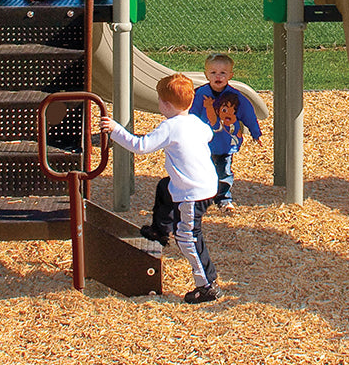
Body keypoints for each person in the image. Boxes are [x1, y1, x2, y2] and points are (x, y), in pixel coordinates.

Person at [99, 73, 221, 304]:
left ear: (165, 104)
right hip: (206, 183)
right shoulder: (196, 122)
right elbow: (208, 134)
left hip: (193, 193)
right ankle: (160, 230)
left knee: (188, 236)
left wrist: (115, 130)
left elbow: (141, 146)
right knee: (165, 187)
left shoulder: (170, 127)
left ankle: (207, 285)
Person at [190, 53, 263, 210]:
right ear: (206, 74)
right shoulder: (200, 95)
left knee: (224, 172)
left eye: (223, 73)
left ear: (230, 75)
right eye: (213, 72)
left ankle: (223, 199)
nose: (218, 76)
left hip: (225, 142)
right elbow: (191, 114)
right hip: (203, 144)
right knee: (202, 171)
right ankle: (202, 199)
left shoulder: (235, 96)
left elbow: (248, 114)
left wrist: (255, 132)